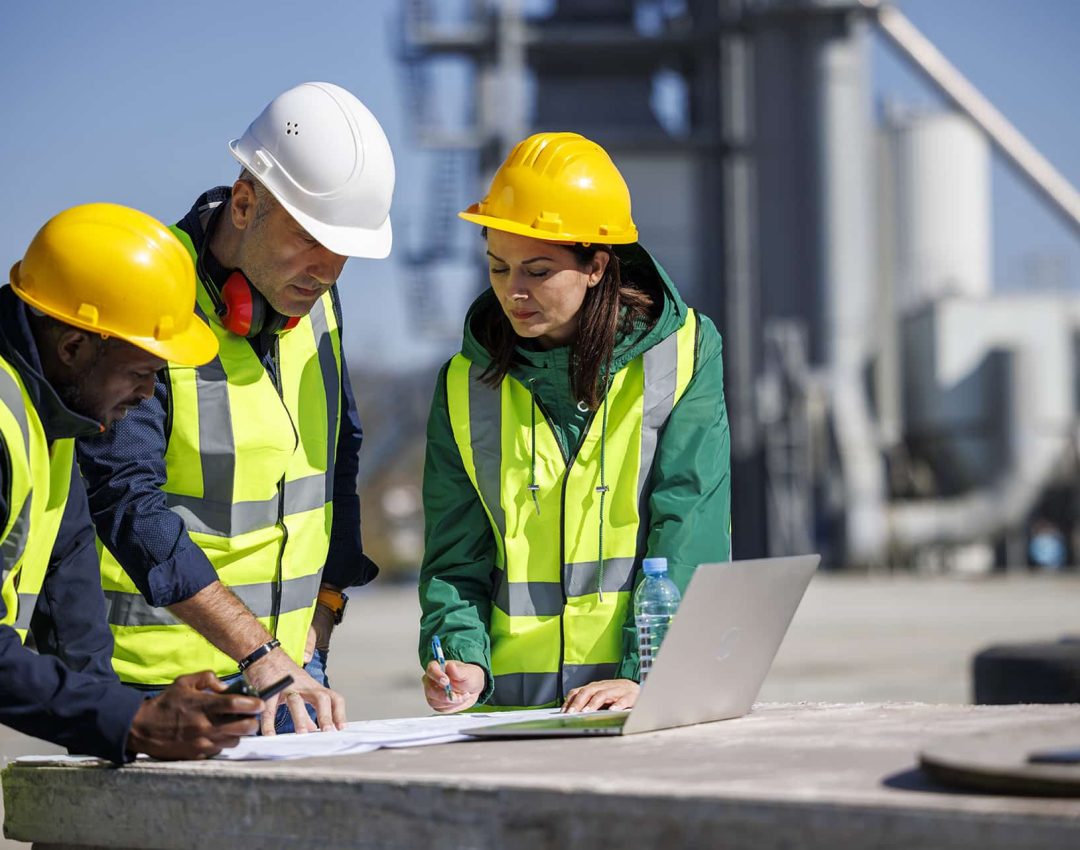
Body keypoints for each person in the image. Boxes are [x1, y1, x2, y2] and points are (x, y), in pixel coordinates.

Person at [76, 82, 394, 735]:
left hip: (288, 680)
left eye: (343, 250)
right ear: (245, 203)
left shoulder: (319, 302)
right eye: (309, 237)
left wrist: (328, 606)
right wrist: (259, 652)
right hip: (151, 686)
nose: (327, 268)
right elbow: (125, 500)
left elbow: (340, 461)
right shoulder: (148, 292)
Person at [418, 132, 731, 713]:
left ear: (597, 265)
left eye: (538, 271)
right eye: (498, 266)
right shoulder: (463, 385)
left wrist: (653, 674)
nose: (514, 292)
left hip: (636, 703)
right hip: (509, 714)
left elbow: (689, 526)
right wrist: (458, 657)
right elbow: (455, 558)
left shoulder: (683, 354)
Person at [0, 203, 262, 761]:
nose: (147, 395)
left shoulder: (55, 415)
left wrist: (122, 723)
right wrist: (133, 721)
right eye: (141, 372)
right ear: (73, 347)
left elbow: (70, 610)